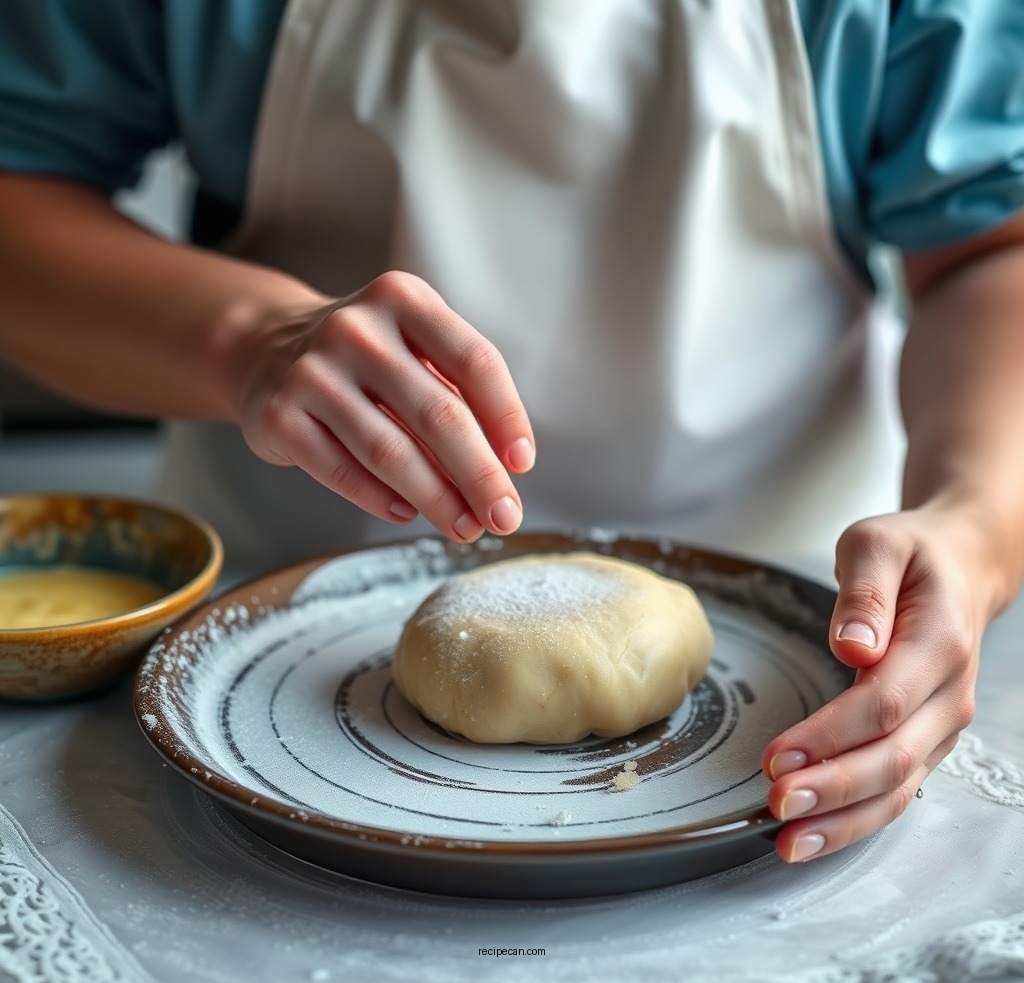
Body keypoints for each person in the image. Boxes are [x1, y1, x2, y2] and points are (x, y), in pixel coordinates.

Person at [1, 0, 1023, 868]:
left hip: (809, 632)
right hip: (269, 643)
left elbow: (993, 245)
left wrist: (974, 520)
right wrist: (243, 340)